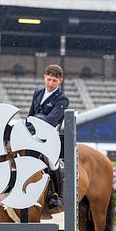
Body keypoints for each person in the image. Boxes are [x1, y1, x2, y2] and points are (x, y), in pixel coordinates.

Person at [28, 64, 70, 210]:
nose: (51, 83)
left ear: (60, 81)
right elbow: (30, 115)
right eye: (49, 79)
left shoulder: (62, 99)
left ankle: (58, 195)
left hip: (49, 135)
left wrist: (33, 127)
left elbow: (50, 120)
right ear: (45, 77)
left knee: (51, 161)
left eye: (54, 81)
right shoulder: (37, 93)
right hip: (33, 133)